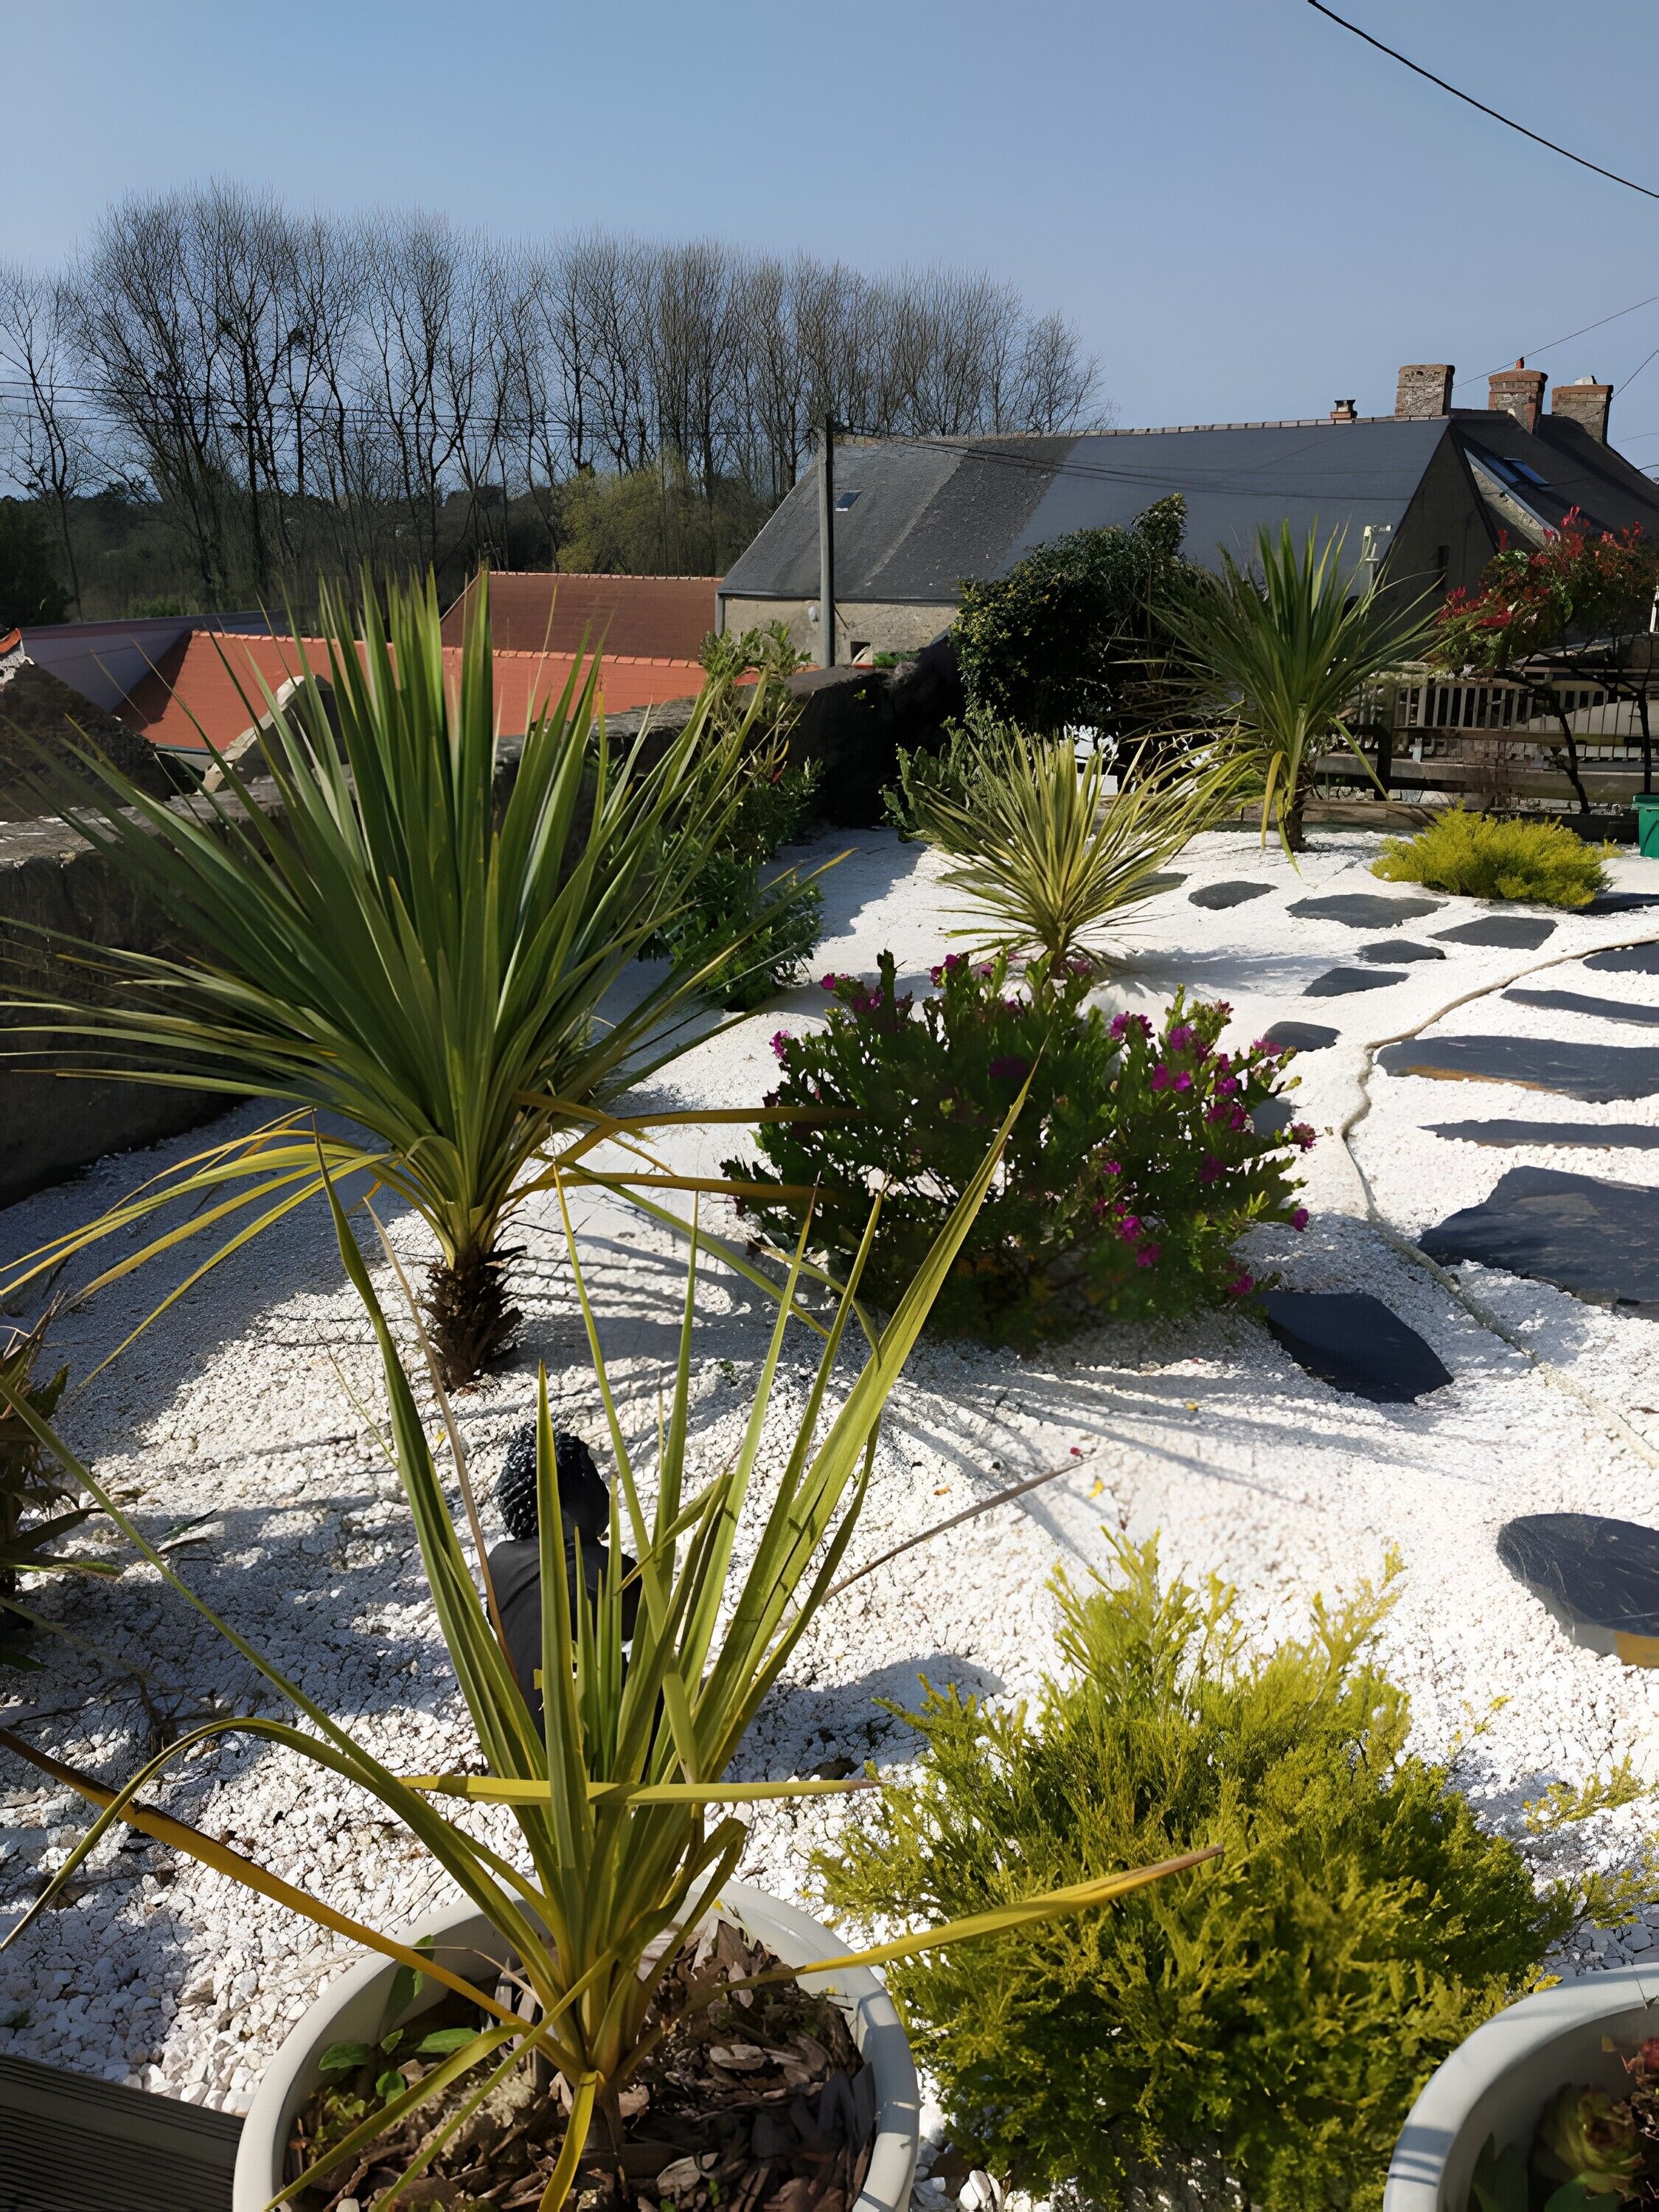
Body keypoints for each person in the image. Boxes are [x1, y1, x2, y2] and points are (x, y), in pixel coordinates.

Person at [487, 1426, 638, 1733]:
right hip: (595, 1741)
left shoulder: (498, 1562)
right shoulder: (610, 1570)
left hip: (522, 1736)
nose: (602, 1491)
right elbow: (640, 1624)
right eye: (591, 1478)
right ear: (570, 1503)